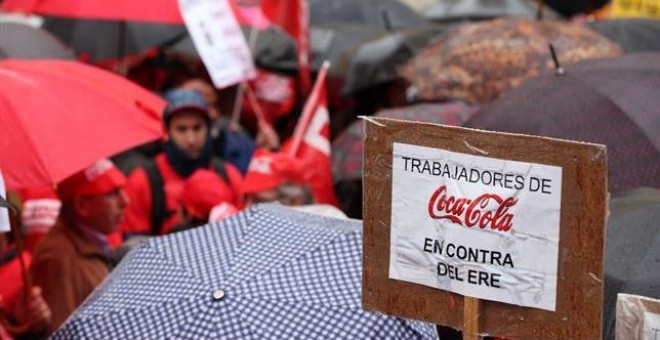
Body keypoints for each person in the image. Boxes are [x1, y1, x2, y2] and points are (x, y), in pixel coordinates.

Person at [120, 88, 243, 238]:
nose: (191, 139)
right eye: (181, 129)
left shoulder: (229, 175)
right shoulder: (142, 181)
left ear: (209, 128)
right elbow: (132, 247)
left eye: (197, 128)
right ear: (166, 132)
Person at [30, 159, 128, 334]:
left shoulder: (89, 242)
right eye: (113, 193)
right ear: (82, 205)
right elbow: (62, 333)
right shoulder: (58, 258)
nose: (125, 201)